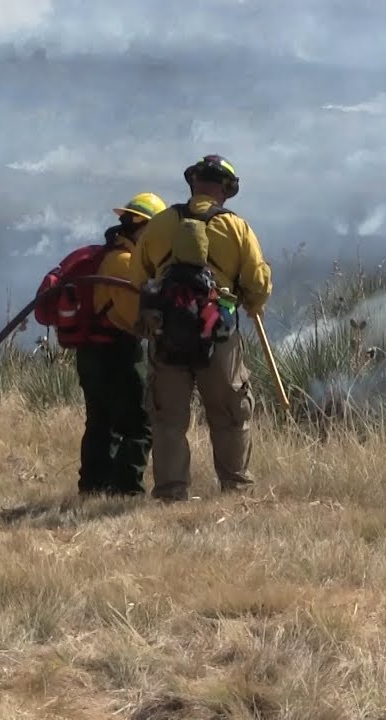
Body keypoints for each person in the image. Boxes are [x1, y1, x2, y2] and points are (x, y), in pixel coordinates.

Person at [128, 155, 272, 502]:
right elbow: (257, 282)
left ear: (193, 183)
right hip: (218, 335)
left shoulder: (160, 224)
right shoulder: (237, 228)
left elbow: (137, 278)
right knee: (230, 414)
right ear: (226, 189)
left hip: (166, 336)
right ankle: (235, 489)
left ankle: (171, 492)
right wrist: (251, 302)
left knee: (168, 420)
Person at [75, 192, 167, 497]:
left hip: (92, 352)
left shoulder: (111, 255)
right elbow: (133, 320)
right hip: (117, 353)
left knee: (101, 422)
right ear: (143, 227)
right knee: (139, 425)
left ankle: (93, 486)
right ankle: (126, 490)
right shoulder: (125, 264)